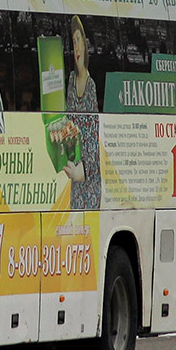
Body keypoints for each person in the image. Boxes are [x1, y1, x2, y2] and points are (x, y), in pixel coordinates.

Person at [63, 15, 102, 209]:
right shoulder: (71, 81)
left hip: (88, 180)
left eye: (79, 41)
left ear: (85, 46)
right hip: (74, 176)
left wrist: (84, 171)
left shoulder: (91, 86)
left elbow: (95, 140)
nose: (76, 48)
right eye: (73, 42)